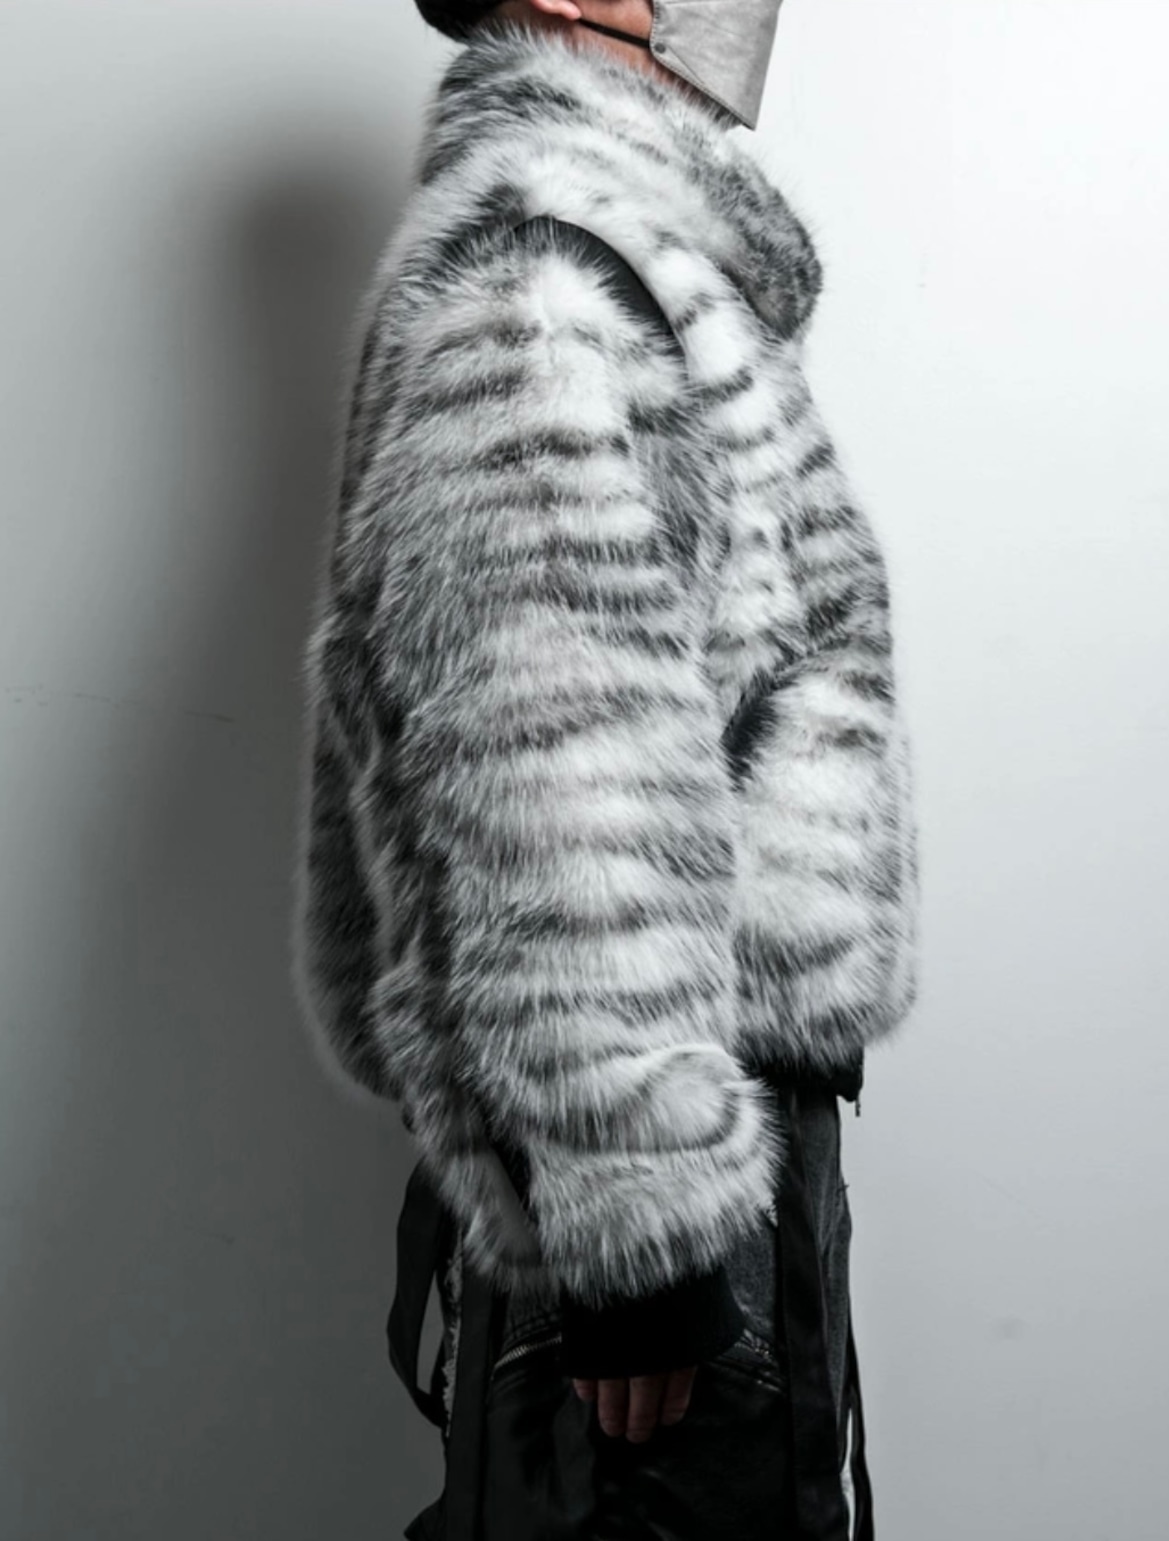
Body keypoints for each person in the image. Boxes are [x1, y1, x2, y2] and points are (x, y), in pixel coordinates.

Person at [291, 2, 919, 1535]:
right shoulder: (545, 268)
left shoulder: (627, 252)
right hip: (654, 1182)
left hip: (714, 1136)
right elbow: (551, 761)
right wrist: (641, 1233)